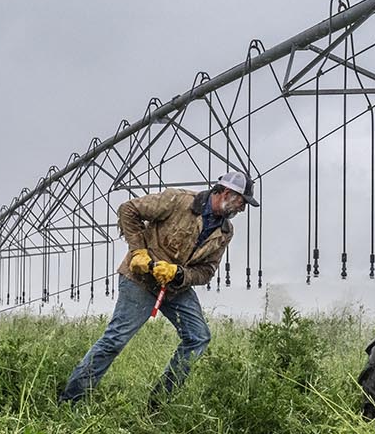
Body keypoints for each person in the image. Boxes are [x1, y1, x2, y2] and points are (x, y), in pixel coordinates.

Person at [59, 168, 259, 405]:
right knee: (115, 339)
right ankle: (70, 400)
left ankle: (158, 403)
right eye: (241, 201)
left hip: (175, 288)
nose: (242, 208)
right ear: (226, 192)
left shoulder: (225, 232)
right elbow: (129, 209)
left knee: (198, 337)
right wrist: (139, 252)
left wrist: (179, 274)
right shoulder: (179, 200)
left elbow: (207, 271)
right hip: (140, 281)